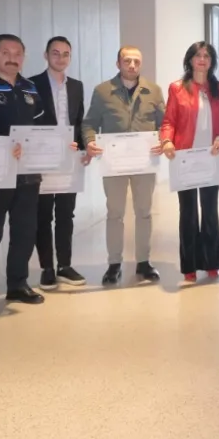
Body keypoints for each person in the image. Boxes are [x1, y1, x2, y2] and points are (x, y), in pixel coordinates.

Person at [0, 34, 47, 317]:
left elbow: (41, 128)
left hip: (28, 174)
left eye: (17, 53)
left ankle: (18, 284)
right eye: (5, 52)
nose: (12, 58)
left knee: (25, 231)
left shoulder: (31, 88)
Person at [82, 46, 166, 285]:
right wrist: (90, 141)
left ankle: (144, 262)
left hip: (144, 161)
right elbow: (89, 123)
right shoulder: (103, 91)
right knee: (115, 213)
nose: (132, 65)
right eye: (127, 61)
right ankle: (114, 264)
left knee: (144, 213)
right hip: (114, 162)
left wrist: (163, 140)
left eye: (136, 61)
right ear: (118, 63)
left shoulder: (153, 91)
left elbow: (165, 123)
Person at [160, 41, 219, 282]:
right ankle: (189, 264)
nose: (202, 59)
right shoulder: (177, 88)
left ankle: (211, 262)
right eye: (198, 55)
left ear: (212, 61)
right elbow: (169, 121)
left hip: (210, 157)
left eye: (207, 56)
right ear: (190, 60)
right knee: (188, 212)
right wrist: (167, 141)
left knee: (210, 210)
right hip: (185, 157)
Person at [31, 36, 87, 290]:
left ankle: (65, 265)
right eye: (55, 53)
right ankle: (47, 268)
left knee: (66, 214)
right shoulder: (31, 84)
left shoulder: (76, 86)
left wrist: (83, 147)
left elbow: (79, 120)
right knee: (42, 215)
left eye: (66, 54)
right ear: (46, 55)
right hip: (41, 159)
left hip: (69, 159)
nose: (60, 58)